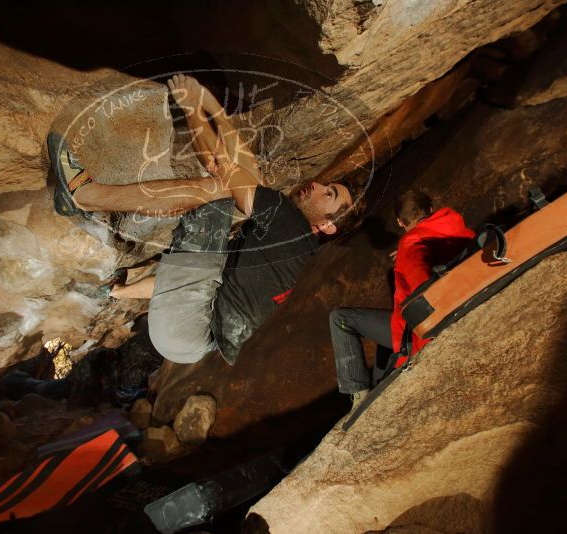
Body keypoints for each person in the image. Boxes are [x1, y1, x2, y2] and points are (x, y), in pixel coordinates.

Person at [48, 75, 363, 365]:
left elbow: (227, 173)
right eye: (328, 186)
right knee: (217, 251)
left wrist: (196, 105)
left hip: (188, 323)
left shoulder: (288, 222)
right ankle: (115, 293)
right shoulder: (298, 257)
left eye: (330, 194)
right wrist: (206, 105)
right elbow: (201, 279)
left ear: (327, 226)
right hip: (192, 344)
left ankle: (83, 195)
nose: (318, 186)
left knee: (222, 193)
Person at [329, 190, 474, 411]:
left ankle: (358, 397)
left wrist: (409, 251)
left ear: (399, 221)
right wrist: (408, 251)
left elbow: (424, 290)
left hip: (418, 333)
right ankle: (379, 388)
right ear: (431, 210)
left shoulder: (412, 246)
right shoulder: (458, 228)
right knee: (384, 330)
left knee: (340, 318)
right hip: (462, 303)